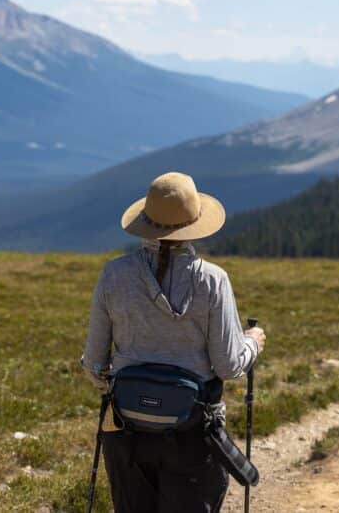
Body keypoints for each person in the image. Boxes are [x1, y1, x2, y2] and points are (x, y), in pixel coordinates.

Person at [81, 171, 267, 512]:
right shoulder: (213, 280)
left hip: (126, 432)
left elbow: (94, 365)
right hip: (192, 435)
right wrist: (252, 342)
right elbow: (227, 365)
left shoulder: (113, 274)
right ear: (194, 224)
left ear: (146, 222)